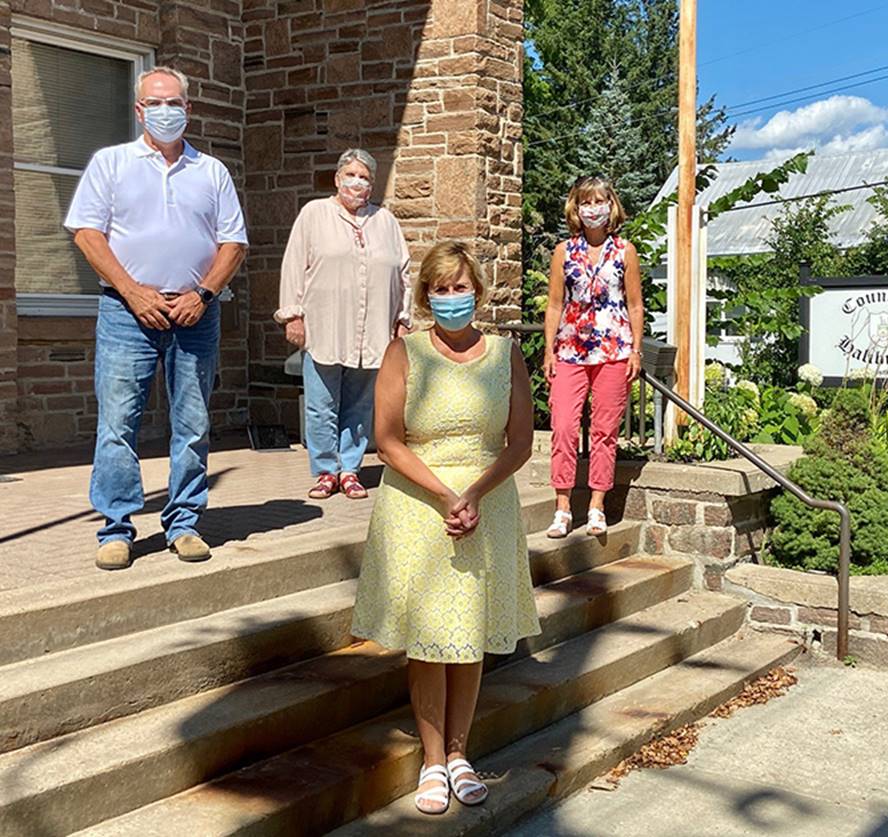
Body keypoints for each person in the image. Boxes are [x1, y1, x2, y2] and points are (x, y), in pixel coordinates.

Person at [351, 241, 541, 815]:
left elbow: (521, 441)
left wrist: (476, 492)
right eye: (441, 288)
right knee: (431, 638)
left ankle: (461, 753)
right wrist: (444, 494)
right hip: (418, 502)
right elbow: (386, 439)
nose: (451, 297)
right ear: (425, 295)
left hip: (487, 502)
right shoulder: (404, 352)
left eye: (460, 287)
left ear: (477, 291)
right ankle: (432, 759)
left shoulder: (506, 354)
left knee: (470, 633)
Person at [65, 66, 248, 571]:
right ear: (139, 109)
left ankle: (184, 522)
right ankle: (117, 528)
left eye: (175, 103)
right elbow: (86, 233)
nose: (166, 111)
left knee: (192, 423)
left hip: (196, 312)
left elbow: (234, 242)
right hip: (127, 312)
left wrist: (205, 293)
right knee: (118, 424)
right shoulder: (111, 164)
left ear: (188, 109)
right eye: (155, 103)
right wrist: (132, 291)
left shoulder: (212, 172)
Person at [275, 149, 412, 501]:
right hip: (324, 326)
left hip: (374, 330)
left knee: (360, 404)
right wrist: (293, 314)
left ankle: (350, 469)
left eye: (365, 177)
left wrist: (403, 318)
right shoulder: (314, 214)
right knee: (321, 404)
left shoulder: (386, 222)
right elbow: (293, 265)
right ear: (337, 179)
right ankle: (325, 471)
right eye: (350, 175)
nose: (357, 182)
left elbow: (404, 274)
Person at [542, 175, 644, 539]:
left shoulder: (624, 251)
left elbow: (634, 303)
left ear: (610, 205)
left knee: (604, 430)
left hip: (614, 351)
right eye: (586, 202)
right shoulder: (563, 251)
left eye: (600, 201)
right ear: (576, 207)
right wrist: (548, 350)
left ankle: (597, 506)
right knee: (565, 427)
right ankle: (563, 507)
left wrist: (636, 348)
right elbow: (555, 304)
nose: (593, 209)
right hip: (570, 350)